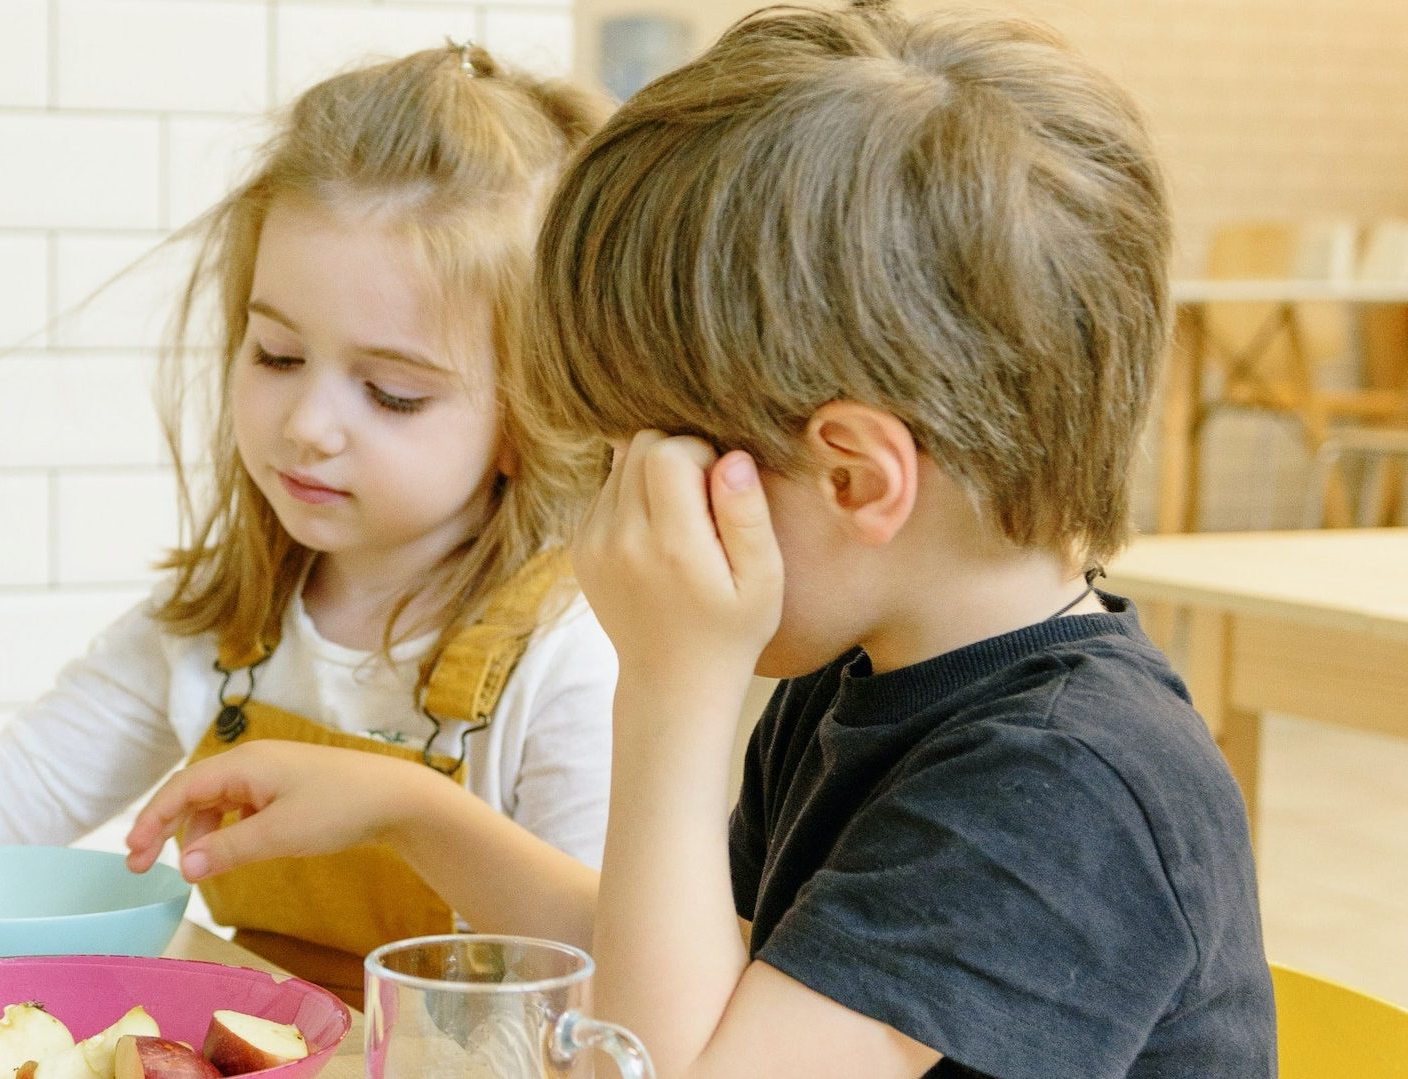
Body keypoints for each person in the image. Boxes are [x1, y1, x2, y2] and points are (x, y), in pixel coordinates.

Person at [125, 3, 1277, 1074]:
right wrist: (407, 809)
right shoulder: (855, 675)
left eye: (651, 440)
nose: (618, 489)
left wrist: (671, 684)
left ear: (850, 475)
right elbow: (675, 964)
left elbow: (661, 1060)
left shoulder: (1063, 787)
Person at [0, 43, 616, 1006]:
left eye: (391, 393)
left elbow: (614, 986)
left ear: (528, 415)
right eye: (278, 354)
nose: (307, 425)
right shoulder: (219, 627)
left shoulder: (571, 659)